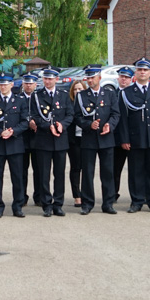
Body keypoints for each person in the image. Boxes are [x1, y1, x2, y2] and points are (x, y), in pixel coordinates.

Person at [119, 57, 150, 213]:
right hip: (135, 138)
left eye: (145, 70)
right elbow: (123, 118)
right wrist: (125, 139)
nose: (142, 72)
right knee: (136, 171)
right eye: (140, 70)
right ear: (136, 72)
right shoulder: (127, 92)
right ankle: (137, 201)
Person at [74, 65, 120, 215]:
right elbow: (77, 117)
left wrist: (110, 125)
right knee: (87, 172)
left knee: (107, 172)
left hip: (106, 138)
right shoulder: (81, 96)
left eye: (92, 77)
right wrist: (88, 124)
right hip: (89, 139)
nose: (90, 80)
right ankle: (87, 203)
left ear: (99, 78)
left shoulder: (109, 94)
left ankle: (108, 203)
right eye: (88, 77)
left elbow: (115, 114)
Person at [0, 74, 29, 218]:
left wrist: (13, 131)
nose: (3, 87)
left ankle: (18, 206)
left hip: (15, 144)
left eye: (6, 84)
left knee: (18, 177)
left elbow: (25, 121)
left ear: (11, 85)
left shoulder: (20, 100)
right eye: (0, 84)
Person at [30, 67, 74, 217]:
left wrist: (63, 124)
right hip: (44, 140)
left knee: (59, 173)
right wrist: (48, 127)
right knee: (44, 174)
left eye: (50, 79)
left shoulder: (63, 95)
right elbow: (35, 116)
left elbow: (70, 114)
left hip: (60, 139)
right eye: (45, 78)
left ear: (57, 79)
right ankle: (46, 204)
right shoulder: (37, 96)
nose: (47, 81)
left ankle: (58, 204)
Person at [19, 73, 40, 207]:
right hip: (22, 138)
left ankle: (39, 197)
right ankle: (22, 197)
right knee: (22, 170)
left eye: (31, 83)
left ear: (35, 85)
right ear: (23, 84)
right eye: (26, 83)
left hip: (38, 138)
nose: (28, 85)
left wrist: (36, 122)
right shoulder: (18, 98)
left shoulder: (39, 97)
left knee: (39, 170)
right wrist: (28, 123)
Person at [113, 66, 134, 201]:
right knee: (115, 169)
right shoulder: (111, 94)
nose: (124, 80)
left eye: (126, 78)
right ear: (118, 78)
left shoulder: (134, 94)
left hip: (133, 138)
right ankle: (113, 193)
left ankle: (137, 196)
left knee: (135, 170)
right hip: (116, 138)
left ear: (132, 79)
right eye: (122, 77)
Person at [66, 80, 86, 208]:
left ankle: (86, 194)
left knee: (87, 169)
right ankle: (77, 196)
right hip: (74, 140)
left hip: (87, 139)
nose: (78, 91)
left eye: (80, 89)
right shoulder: (70, 104)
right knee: (76, 167)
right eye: (75, 89)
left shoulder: (88, 102)